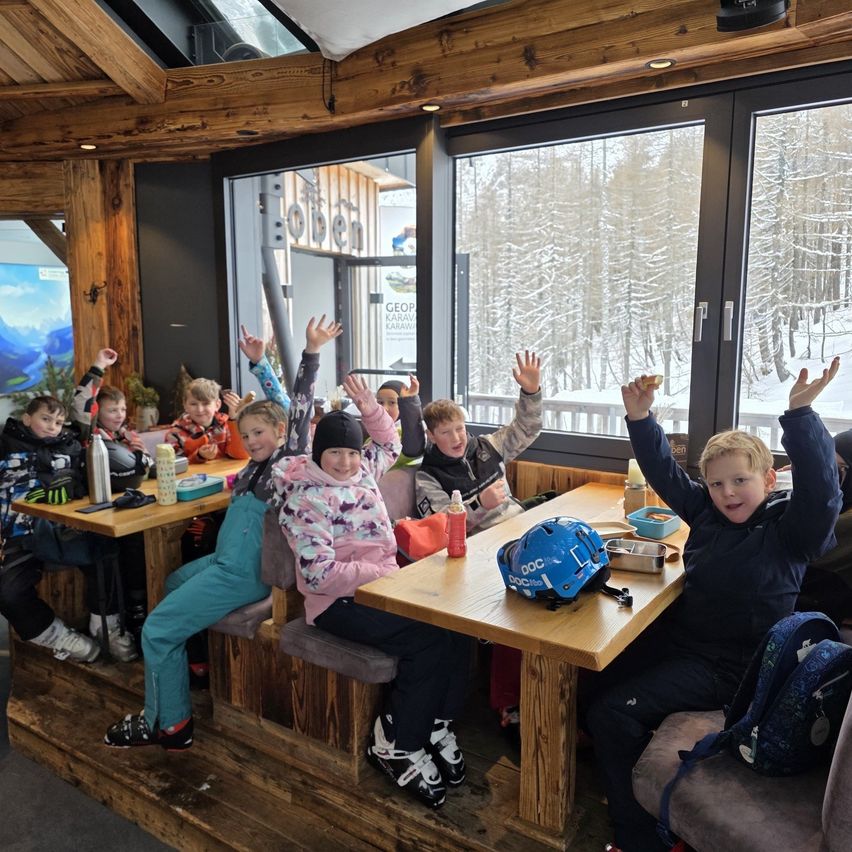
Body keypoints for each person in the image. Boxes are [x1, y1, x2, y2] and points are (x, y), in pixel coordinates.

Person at [583, 359, 843, 852]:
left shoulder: (789, 533)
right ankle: (619, 774)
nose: (727, 493)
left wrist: (801, 416)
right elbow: (663, 470)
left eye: (740, 481)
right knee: (594, 672)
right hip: (686, 645)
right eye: (718, 483)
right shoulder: (705, 513)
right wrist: (640, 419)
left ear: (768, 481)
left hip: (732, 669)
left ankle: (636, 837)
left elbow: (823, 495)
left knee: (611, 713)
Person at [103, 316, 341, 750]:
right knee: (173, 580)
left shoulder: (288, 467)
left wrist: (308, 354)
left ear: (284, 433)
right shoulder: (253, 468)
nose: (250, 440)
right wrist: (255, 361)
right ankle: (196, 666)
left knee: (156, 630)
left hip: (244, 573)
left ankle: (168, 725)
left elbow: (298, 405)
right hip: (225, 561)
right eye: (245, 433)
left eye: (260, 433)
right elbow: (266, 426)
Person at [273, 374, 470, 809]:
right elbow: (319, 574)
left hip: (381, 587)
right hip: (335, 603)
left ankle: (436, 722)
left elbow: (391, 446)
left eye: (350, 451)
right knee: (428, 639)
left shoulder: (363, 470)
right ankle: (398, 742)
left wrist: (369, 408)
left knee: (460, 627)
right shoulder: (305, 499)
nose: (344, 462)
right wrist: (380, 575)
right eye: (334, 453)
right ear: (318, 454)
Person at [415, 350, 543, 735]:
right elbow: (437, 526)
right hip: (480, 554)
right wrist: (475, 505)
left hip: (519, 532)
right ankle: (509, 703)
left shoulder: (487, 446)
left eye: (459, 428)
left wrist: (531, 391)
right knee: (523, 613)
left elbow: (527, 427)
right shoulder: (428, 476)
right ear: (430, 436)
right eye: (445, 432)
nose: (455, 438)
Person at [0, 396, 99, 662]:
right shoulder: (5, 445)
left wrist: (71, 487)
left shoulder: (70, 445)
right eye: (45, 419)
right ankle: (62, 638)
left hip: (63, 528)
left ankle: (107, 626)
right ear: (27, 418)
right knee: (7, 592)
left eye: (57, 422)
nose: (52, 426)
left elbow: (84, 482)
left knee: (108, 553)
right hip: (16, 535)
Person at [70, 347, 154, 661]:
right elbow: (80, 404)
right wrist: (98, 366)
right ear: (98, 413)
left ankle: (139, 616)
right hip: (98, 515)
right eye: (111, 410)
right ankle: (118, 624)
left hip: (127, 510)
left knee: (140, 547)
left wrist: (141, 453)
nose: (119, 414)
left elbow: (146, 472)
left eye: (121, 408)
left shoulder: (124, 436)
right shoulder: (90, 435)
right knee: (118, 556)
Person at [796, 427, 852, 623]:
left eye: (837, 468)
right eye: (824, 464)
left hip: (815, 616)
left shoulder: (846, 524)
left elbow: (799, 548)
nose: (827, 474)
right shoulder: (842, 502)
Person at [166, 377, 249, 464]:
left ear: (217, 405)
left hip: (226, 475)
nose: (200, 409)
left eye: (206, 403)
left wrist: (233, 420)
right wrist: (199, 456)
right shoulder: (175, 433)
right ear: (185, 405)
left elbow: (242, 455)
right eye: (193, 404)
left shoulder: (228, 424)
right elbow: (172, 466)